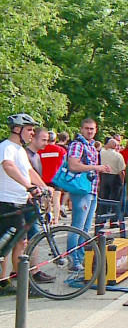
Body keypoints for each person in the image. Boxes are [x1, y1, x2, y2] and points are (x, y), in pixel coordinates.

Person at [0, 114, 48, 288]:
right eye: (29, 130)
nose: (32, 133)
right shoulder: (7, 147)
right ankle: (19, 285)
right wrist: (29, 187)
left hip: (18, 202)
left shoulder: (20, 149)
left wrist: (44, 187)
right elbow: (8, 166)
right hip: (6, 201)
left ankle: (10, 283)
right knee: (11, 243)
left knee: (15, 243)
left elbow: (29, 171)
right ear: (17, 129)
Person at [66, 118, 112, 270]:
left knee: (85, 228)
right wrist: (96, 167)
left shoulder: (92, 146)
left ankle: (81, 257)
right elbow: (73, 165)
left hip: (91, 190)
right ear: (81, 129)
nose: (89, 131)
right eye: (87, 128)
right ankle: (73, 260)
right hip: (81, 190)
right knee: (77, 227)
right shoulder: (77, 145)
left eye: (92, 129)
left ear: (96, 130)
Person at [39, 130, 67, 224]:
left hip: (45, 178)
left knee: (47, 199)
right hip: (57, 178)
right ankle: (56, 219)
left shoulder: (41, 150)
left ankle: (48, 215)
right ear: (55, 139)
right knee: (56, 199)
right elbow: (65, 164)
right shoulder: (61, 150)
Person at [97, 139, 126, 214]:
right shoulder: (118, 156)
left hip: (104, 176)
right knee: (115, 200)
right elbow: (121, 170)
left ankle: (101, 219)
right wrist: (122, 181)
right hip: (115, 177)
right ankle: (114, 220)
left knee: (103, 198)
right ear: (116, 146)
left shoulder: (102, 153)